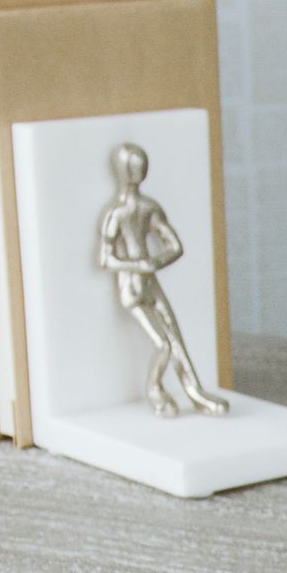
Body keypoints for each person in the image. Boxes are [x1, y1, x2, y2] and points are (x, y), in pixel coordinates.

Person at [96, 142, 229, 418]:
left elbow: (175, 245)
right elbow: (105, 259)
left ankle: (195, 393)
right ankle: (155, 391)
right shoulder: (116, 214)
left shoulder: (148, 208)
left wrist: (154, 263)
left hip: (149, 283)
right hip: (131, 288)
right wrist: (138, 265)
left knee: (177, 338)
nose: (138, 171)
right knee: (163, 344)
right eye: (133, 166)